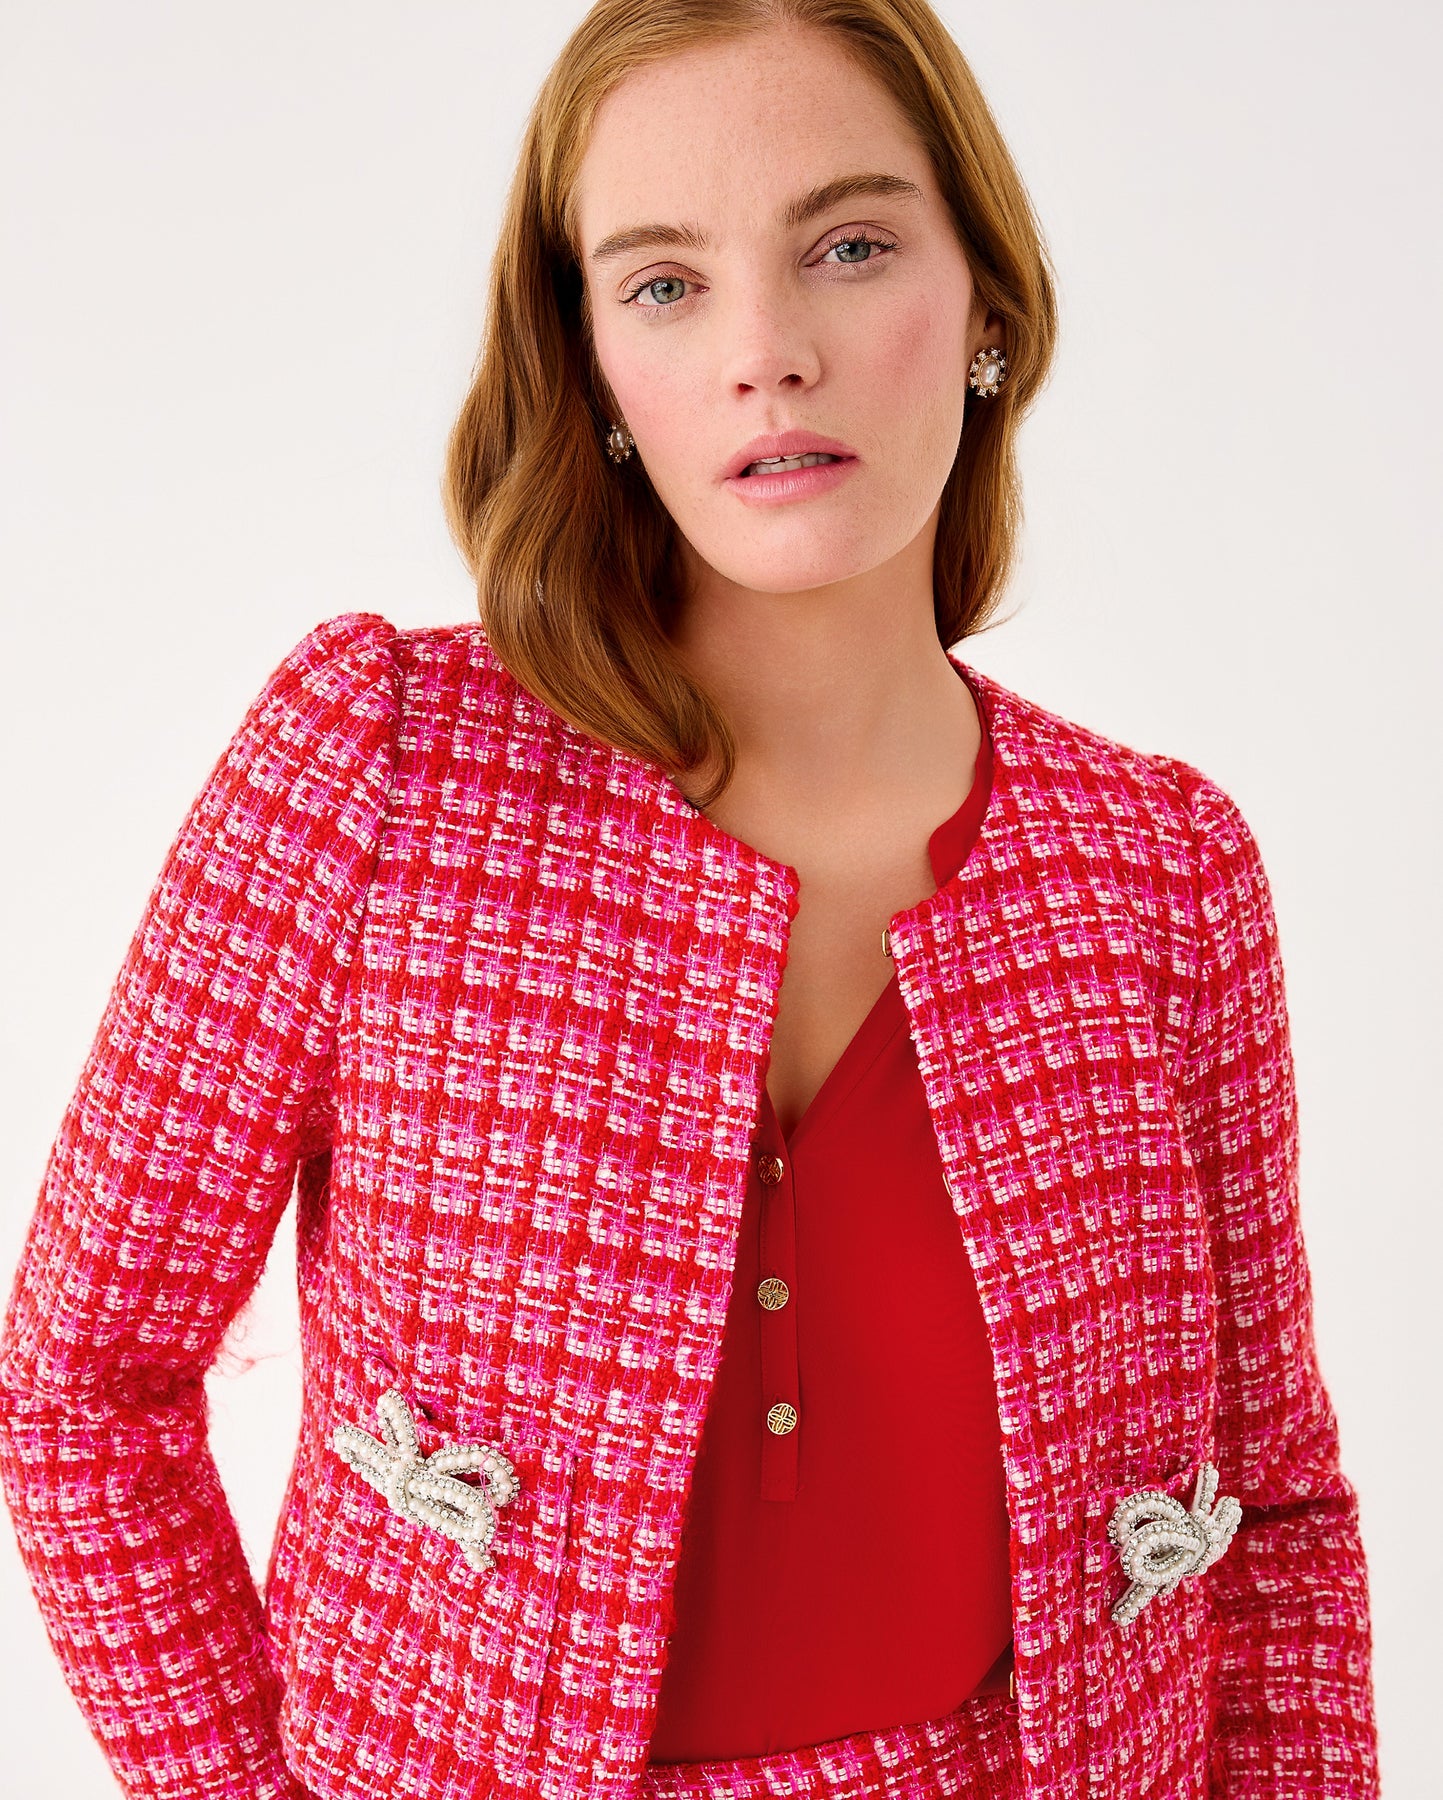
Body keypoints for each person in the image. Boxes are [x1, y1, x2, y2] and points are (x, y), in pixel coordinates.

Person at [0, 3, 1379, 1798]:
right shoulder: (380, 765)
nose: (767, 355)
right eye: (665, 284)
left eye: (850, 246)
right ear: (588, 364)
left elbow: (1268, 1523)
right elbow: (78, 1386)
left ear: (985, 303)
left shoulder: (1160, 872)